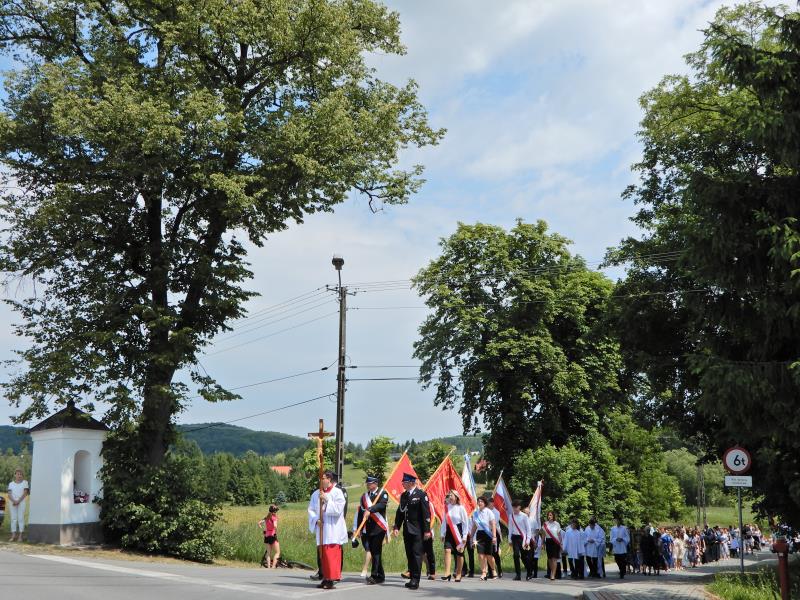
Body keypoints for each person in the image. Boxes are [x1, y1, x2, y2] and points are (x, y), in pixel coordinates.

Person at [308, 470, 347, 590]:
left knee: (331, 556)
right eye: (320, 478)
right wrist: (316, 520)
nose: (321, 480)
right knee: (323, 556)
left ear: (329, 479)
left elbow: (338, 510)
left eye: (323, 478)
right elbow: (311, 509)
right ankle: (325, 577)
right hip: (322, 529)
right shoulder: (316, 494)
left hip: (333, 530)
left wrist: (327, 500)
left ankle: (331, 580)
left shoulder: (337, 492)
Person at [393, 472, 431, 590]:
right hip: (407, 530)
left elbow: (426, 513)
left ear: (411, 483)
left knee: (416, 554)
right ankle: (411, 578)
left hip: (418, 530)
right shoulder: (404, 495)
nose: (402, 484)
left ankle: (416, 580)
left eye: (404, 482)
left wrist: (427, 530)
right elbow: (400, 512)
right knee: (409, 554)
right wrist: (396, 527)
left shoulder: (421, 494)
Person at [356, 475, 389, 584]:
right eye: (367, 483)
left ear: (375, 483)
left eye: (370, 483)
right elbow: (361, 513)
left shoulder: (382, 493)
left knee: (376, 551)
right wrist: (359, 529)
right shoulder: (364, 496)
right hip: (368, 528)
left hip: (379, 527)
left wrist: (370, 509)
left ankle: (374, 575)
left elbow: (382, 505)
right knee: (374, 551)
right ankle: (381, 575)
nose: (368, 485)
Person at [440, 490, 469, 582]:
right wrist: (442, 533)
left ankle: (459, 573)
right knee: (447, 550)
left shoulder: (461, 508)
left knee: (459, 553)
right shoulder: (447, 507)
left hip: (459, 531)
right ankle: (447, 573)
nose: (450, 497)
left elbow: (465, 523)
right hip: (449, 532)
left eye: (451, 495)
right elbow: (444, 521)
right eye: (449, 496)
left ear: (456, 497)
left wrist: (464, 536)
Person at [470, 495, 498, 580]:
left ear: (485, 503)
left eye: (481, 501)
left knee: (489, 555)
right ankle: (484, 572)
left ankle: (493, 569)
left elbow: (493, 524)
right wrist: (471, 536)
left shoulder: (489, 512)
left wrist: (494, 536)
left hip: (488, 535)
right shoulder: (475, 513)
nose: (479, 503)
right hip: (480, 535)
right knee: (480, 554)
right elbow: (474, 526)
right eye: (478, 501)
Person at [507, 500, 531, 581]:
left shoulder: (524, 516)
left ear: (519, 507)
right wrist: (509, 539)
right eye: (513, 507)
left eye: (516, 507)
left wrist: (528, 540)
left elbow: (528, 529)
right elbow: (510, 528)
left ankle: (529, 572)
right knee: (516, 555)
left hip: (522, 538)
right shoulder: (511, 516)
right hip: (514, 537)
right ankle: (518, 574)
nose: (514, 509)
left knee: (524, 556)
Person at [7, 469, 29, 542]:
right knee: (13, 518)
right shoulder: (11, 484)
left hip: (21, 502)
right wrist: (14, 501)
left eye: (20, 474)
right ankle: (13, 535)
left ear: (22, 475)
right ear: (15, 475)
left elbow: (25, 493)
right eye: (18, 474)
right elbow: (9, 494)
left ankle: (20, 536)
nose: (19, 475)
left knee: (20, 518)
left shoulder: (25, 483)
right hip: (12, 502)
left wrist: (18, 501)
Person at [541, 510, 563, 581]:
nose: (549, 516)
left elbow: (559, 535)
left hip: (555, 542)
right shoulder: (545, 524)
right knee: (550, 559)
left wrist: (561, 543)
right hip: (548, 541)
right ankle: (552, 571)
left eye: (550, 515)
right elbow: (543, 535)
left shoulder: (557, 524)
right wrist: (542, 543)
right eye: (548, 515)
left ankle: (553, 575)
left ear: (553, 516)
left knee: (554, 559)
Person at [258, 504, 280, 568]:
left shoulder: (266, 518)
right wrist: (276, 530)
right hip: (272, 536)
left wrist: (263, 530)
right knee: (277, 552)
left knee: (268, 553)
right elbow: (275, 526)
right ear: (274, 511)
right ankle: (273, 567)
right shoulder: (274, 518)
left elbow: (259, 523)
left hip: (266, 536)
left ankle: (268, 567)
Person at [486, 496, 503, 578]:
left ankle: (499, 569)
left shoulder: (496, 512)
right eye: (489, 504)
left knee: (495, 553)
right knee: (488, 553)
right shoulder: (485, 511)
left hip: (495, 533)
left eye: (492, 504)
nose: (491, 505)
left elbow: (493, 522)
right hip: (487, 533)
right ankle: (490, 572)